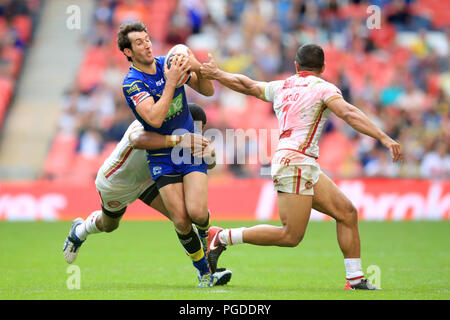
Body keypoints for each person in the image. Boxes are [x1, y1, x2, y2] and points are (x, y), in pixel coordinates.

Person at [200, 44, 403, 290]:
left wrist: (218, 74)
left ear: (296, 66)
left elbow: (247, 85)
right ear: (324, 68)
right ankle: (221, 237)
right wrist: (383, 137)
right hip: (296, 162)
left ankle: (355, 279)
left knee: (347, 213)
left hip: (299, 163)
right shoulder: (325, 89)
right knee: (290, 236)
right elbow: (348, 113)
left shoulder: (282, 85)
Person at [63, 104, 231, 287]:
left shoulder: (185, 136)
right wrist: (178, 140)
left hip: (148, 181)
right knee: (109, 225)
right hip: (116, 183)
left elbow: (208, 163)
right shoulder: (153, 124)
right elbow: (136, 139)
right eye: (194, 127)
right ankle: (80, 230)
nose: (196, 133)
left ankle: (204, 272)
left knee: (182, 219)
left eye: (199, 129)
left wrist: (210, 153)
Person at [117, 21, 217, 287]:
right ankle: (204, 272)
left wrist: (199, 67)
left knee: (197, 212)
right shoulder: (132, 84)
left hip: (189, 148)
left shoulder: (169, 62)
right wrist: (171, 83)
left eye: (147, 39)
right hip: (161, 155)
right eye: (139, 42)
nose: (146, 45)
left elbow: (207, 90)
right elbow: (156, 119)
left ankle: (209, 239)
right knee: (182, 221)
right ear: (128, 52)